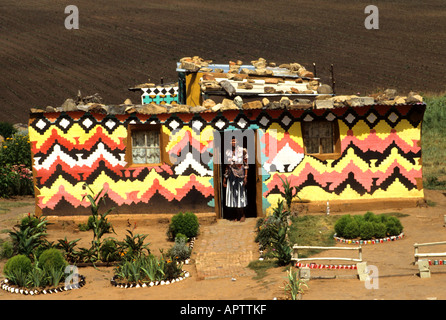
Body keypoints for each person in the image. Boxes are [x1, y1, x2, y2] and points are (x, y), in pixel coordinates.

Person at [222, 137, 248, 221]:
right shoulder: (228, 152)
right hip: (231, 176)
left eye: (234, 140)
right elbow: (227, 166)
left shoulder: (243, 150)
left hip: (240, 176)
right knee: (233, 196)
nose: (233, 142)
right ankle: (237, 215)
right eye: (231, 140)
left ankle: (243, 214)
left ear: (238, 141)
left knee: (241, 195)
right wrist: (225, 179)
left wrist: (246, 176)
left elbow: (246, 164)